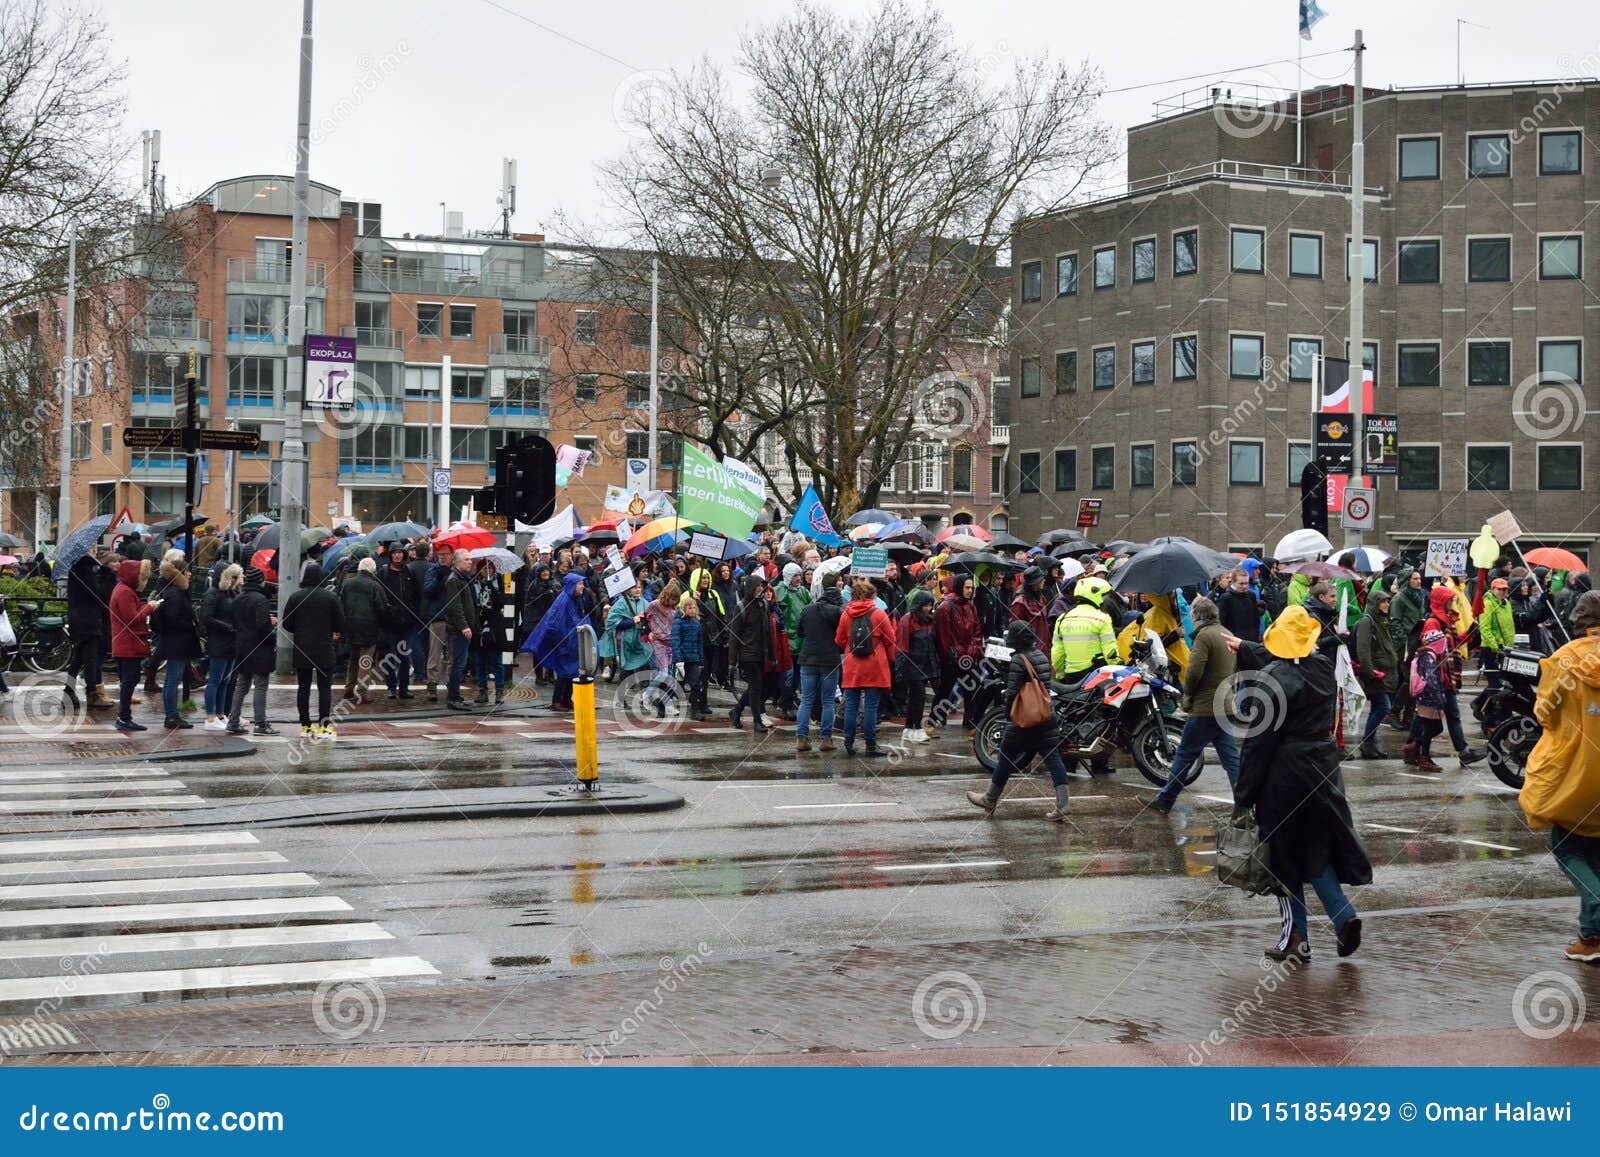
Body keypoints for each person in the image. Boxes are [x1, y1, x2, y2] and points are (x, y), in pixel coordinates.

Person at [1229, 604, 1372, 962]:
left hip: (1285, 777)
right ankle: (1343, 917)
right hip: (1323, 770)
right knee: (1316, 851)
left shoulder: (1273, 678)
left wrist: (1244, 796)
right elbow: (1297, 654)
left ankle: (1296, 939)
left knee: (1282, 858)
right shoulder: (1323, 668)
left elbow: (1258, 745)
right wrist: (1247, 647)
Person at [1518, 591, 1600, 960]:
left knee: (1565, 844)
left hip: (1575, 772)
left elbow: (1545, 714)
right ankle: (1591, 935)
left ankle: (1595, 914)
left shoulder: (1562, 661)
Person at [965, 619, 1073, 822]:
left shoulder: (1019, 660)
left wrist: (1009, 715)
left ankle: (990, 798)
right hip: (1045, 716)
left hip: (1025, 720)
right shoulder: (1040, 655)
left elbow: (1012, 692)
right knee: (1053, 758)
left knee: (1005, 756)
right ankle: (1063, 804)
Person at [1139, 596, 1240, 811]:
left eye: (1192, 615)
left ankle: (1165, 801)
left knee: (1185, 754)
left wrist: (1188, 696)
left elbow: (1194, 673)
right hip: (1225, 704)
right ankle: (1244, 803)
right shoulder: (1227, 634)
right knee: (1231, 759)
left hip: (1205, 707)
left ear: (1196, 616)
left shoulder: (1204, 637)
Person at [1418, 583, 1484, 767]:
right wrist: (1438, 676)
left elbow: (1452, 644)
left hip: (1447, 676)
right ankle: (1417, 749)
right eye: (1449, 600)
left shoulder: (1447, 620)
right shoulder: (1433, 622)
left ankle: (1462, 751)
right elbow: (1431, 650)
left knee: (1445, 716)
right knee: (1429, 720)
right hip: (1439, 677)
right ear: (1441, 601)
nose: (1452, 603)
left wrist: (1470, 633)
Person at [282, 561, 344, 737]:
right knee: (325, 688)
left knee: (304, 687)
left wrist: (300, 631)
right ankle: (324, 726)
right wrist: (332, 631)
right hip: (324, 646)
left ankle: (305, 725)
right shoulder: (330, 597)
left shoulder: (296, 597)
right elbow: (340, 622)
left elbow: (287, 623)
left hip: (302, 647)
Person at [835, 577, 895, 757]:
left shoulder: (846, 614)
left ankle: (848, 742)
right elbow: (890, 640)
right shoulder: (878, 614)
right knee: (870, 707)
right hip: (874, 664)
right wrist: (891, 660)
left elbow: (839, 640)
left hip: (853, 665)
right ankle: (870, 745)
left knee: (851, 705)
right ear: (872, 595)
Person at [521, 572, 588, 711]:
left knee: (574, 671)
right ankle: (556, 701)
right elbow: (552, 623)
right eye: (580, 584)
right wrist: (563, 640)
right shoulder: (563, 601)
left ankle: (566, 698)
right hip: (565, 643)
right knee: (564, 672)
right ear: (572, 585)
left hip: (573, 642)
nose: (583, 586)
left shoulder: (575, 599)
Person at [109, 559, 161, 732]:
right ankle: (124, 718)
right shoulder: (125, 592)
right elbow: (132, 619)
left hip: (126, 644)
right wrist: (149, 607)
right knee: (128, 681)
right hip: (127, 645)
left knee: (129, 681)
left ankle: (125, 717)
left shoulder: (124, 590)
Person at [151, 556, 202, 730]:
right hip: (177, 641)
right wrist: (189, 625)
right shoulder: (175, 593)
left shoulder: (174, 591)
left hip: (176, 640)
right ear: (180, 573)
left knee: (172, 679)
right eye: (187, 572)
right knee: (172, 679)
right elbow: (173, 619)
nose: (190, 575)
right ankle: (172, 716)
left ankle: (172, 715)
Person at [795, 572, 844, 752]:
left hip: (808, 658)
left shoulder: (808, 609)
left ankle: (802, 737)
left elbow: (800, 632)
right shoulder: (838, 611)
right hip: (829, 659)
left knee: (806, 700)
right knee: (828, 701)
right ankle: (826, 739)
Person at [226, 567, 278, 737]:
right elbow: (262, 625)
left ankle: (233, 721)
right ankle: (261, 723)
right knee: (261, 686)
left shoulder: (238, 599)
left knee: (241, 685)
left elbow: (235, 623)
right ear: (260, 581)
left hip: (242, 646)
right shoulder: (260, 599)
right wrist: (272, 634)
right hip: (259, 648)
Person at [65, 547, 117, 711]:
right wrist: (107, 574)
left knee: (79, 658)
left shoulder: (76, 569)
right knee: (90, 658)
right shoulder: (84, 570)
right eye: (90, 549)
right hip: (88, 621)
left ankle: (68, 692)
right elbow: (99, 594)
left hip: (78, 619)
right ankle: (92, 694)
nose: (93, 551)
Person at [1352, 588, 1399, 758]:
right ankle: (1367, 742)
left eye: (1387, 601)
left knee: (1378, 708)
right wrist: (1370, 671)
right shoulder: (1367, 621)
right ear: (1374, 603)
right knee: (1383, 707)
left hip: (1384, 673)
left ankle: (1369, 743)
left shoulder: (1382, 621)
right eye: (1382, 601)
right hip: (1375, 675)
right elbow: (1363, 649)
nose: (1386, 604)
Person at [932, 575, 982, 731]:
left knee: (972, 689)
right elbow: (942, 637)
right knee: (945, 689)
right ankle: (936, 720)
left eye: (971, 588)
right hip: (952, 659)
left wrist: (973, 650)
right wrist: (956, 654)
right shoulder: (946, 607)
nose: (970, 591)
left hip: (969, 656)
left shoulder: (971, 606)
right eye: (967, 587)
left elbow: (977, 631)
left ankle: (970, 721)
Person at [728, 573, 774, 732]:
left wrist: (772, 656)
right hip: (747, 653)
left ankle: (737, 711)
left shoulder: (763, 605)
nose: (760, 589)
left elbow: (768, 632)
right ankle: (756, 721)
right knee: (756, 687)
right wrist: (732, 662)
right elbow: (734, 636)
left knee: (756, 686)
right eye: (757, 586)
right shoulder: (741, 607)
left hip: (761, 652)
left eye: (762, 586)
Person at [1050, 576, 1120, 680]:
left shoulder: (1062, 619)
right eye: (1101, 595)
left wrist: (1060, 675)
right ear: (1094, 595)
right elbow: (1110, 653)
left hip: (1071, 677)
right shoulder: (1102, 619)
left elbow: (1057, 654)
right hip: (1096, 676)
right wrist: (1119, 665)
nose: (1102, 599)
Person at [339, 556, 388, 705]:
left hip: (351, 626)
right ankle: (362, 691)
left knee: (353, 659)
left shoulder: (347, 584)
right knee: (365, 661)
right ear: (373, 570)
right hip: (369, 627)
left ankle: (348, 689)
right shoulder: (375, 585)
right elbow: (381, 608)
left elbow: (341, 604)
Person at [895, 588, 940, 744]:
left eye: (930, 605)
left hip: (924, 665)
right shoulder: (907, 620)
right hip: (912, 665)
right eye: (926, 605)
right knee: (917, 698)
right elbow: (902, 645)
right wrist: (900, 669)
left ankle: (909, 729)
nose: (928, 608)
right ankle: (916, 729)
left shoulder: (929, 620)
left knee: (917, 698)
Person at [200, 563, 241, 730]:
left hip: (230, 641)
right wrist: (227, 627)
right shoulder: (213, 594)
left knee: (225, 680)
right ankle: (210, 717)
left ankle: (220, 714)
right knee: (215, 680)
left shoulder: (231, 593)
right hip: (219, 641)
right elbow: (206, 617)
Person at [376, 543, 421, 699]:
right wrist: (387, 610)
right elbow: (379, 595)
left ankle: (404, 688)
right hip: (389, 621)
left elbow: (416, 595)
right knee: (389, 655)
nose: (397, 556)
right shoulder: (383, 572)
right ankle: (391, 687)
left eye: (400, 553)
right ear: (390, 555)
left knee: (404, 656)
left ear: (404, 554)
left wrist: (413, 612)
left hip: (406, 622)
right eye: (394, 553)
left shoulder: (409, 572)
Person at [1405, 625, 1449, 773]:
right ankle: (1421, 754)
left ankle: (1418, 751)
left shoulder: (1424, 655)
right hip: (1429, 699)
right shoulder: (1429, 657)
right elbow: (1432, 680)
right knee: (1435, 728)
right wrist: (1439, 698)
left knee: (1430, 727)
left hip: (1424, 697)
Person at [442, 552, 480, 710]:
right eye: (467, 559)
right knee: (458, 664)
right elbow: (455, 606)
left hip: (463, 628)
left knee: (460, 663)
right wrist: (463, 626)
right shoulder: (454, 580)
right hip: (458, 630)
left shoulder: (462, 578)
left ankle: (455, 695)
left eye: (470, 559)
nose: (470, 562)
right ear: (458, 562)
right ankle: (453, 698)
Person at [421, 543, 456, 701]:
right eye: (440, 554)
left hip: (454, 617)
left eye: (445, 554)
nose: (442, 557)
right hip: (438, 616)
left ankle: (451, 682)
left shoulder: (456, 571)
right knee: (434, 653)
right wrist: (440, 579)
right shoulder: (433, 571)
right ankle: (432, 685)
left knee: (453, 654)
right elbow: (428, 591)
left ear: (452, 555)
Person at [642, 580, 681, 718]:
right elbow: (643, 619)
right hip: (658, 642)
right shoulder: (653, 605)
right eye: (672, 598)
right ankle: (648, 694)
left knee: (670, 676)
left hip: (670, 643)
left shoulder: (675, 611)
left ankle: (669, 704)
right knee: (663, 673)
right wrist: (648, 633)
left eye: (676, 599)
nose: (673, 601)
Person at [670, 593, 707, 721]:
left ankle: (695, 710)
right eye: (689, 608)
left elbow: (699, 643)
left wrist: (701, 660)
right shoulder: (678, 623)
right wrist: (678, 660)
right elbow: (675, 642)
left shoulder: (697, 624)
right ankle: (661, 703)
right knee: (676, 685)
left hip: (693, 660)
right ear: (683, 609)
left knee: (696, 684)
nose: (692, 610)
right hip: (681, 660)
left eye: (694, 607)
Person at [1010, 568, 1053, 652]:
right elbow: (1015, 631)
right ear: (1034, 583)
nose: (1044, 580)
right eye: (1041, 579)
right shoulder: (1020, 603)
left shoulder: (1041, 599)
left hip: (1045, 649)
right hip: (1030, 652)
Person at [1215, 568, 1262, 643]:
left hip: (1251, 641)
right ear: (1233, 582)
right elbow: (1221, 622)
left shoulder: (1251, 595)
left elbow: (1255, 619)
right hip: (1234, 641)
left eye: (1246, 583)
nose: (1244, 586)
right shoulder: (1225, 598)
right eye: (1241, 583)